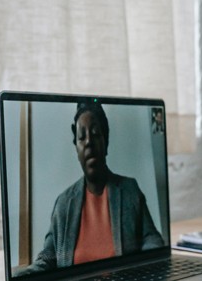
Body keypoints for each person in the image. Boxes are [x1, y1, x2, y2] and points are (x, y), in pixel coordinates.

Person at [17, 102, 165, 276]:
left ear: (106, 141)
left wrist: (143, 270)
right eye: (81, 137)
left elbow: (153, 241)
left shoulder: (129, 190)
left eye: (95, 134)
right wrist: (24, 276)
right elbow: (48, 258)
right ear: (77, 149)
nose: (88, 142)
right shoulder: (64, 203)